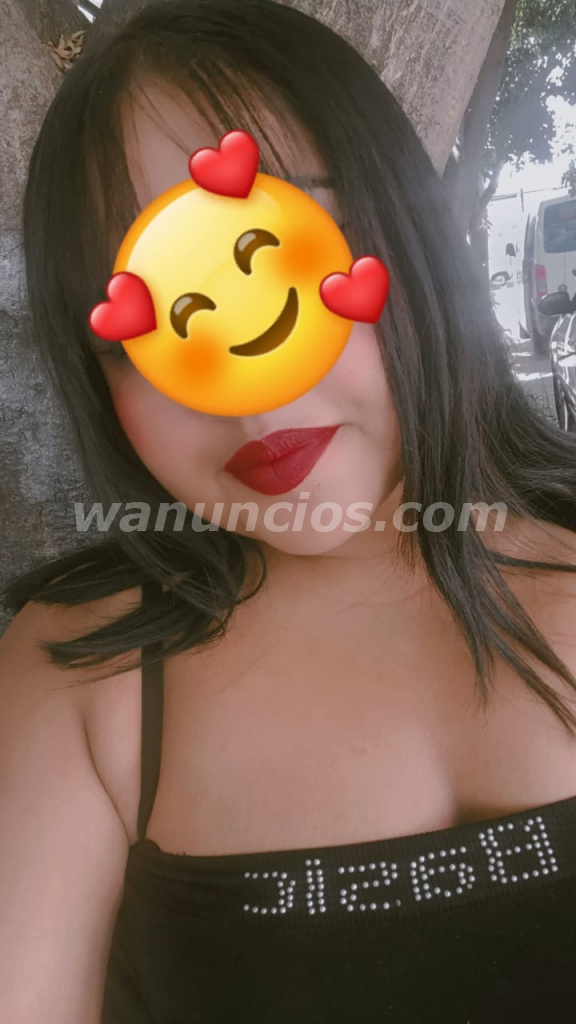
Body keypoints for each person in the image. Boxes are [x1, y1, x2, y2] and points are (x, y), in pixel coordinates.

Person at [1, 1, 576, 1020]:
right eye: (151, 320)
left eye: (276, 257)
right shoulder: (79, 676)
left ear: (406, 228)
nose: (251, 397)